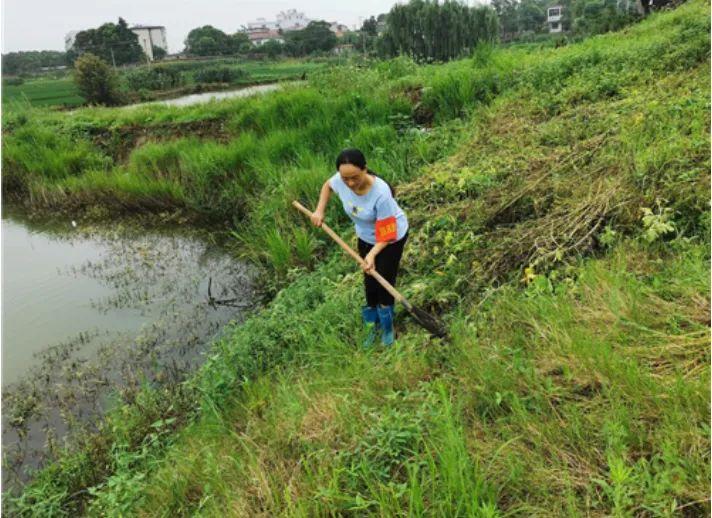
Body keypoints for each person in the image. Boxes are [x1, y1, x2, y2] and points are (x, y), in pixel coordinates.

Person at [311, 148, 408, 347]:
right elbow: (327, 186)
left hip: (390, 239)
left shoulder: (381, 194)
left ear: (365, 169)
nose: (350, 183)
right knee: (369, 281)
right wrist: (319, 211)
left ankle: (388, 328)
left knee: (384, 281)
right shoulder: (341, 179)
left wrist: (372, 255)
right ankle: (371, 325)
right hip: (365, 237)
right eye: (346, 179)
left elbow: (387, 234)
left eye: (355, 177)